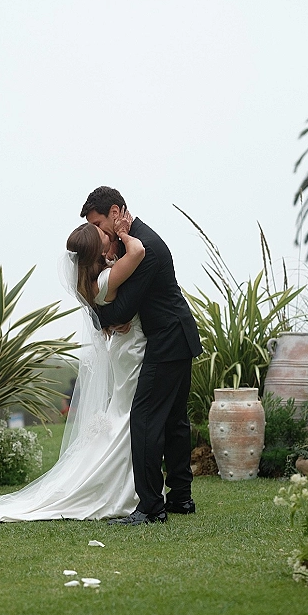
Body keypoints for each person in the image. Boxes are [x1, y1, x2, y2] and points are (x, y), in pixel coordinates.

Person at [0, 214, 146, 523]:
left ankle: (130, 482)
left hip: (125, 349)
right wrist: (126, 234)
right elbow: (138, 252)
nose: (108, 235)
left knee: (123, 413)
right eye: (103, 238)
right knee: (126, 415)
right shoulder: (103, 280)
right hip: (130, 353)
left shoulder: (92, 279)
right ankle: (123, 487)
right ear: (97, 253)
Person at [80, 186, 203, 525]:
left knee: (144, 418)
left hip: (167, 342)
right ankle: (181, 498)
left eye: (100, 224)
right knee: (175, 422)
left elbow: (123, 308)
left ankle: (151, 507)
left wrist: (101, 320)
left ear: (117, 212)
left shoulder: (143, 246)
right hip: (176, 337)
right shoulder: (131, 242)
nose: (99, 233)